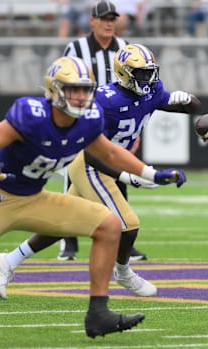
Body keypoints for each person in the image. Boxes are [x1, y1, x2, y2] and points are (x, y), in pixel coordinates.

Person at [0, 56, 187, 337]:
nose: (80, 97)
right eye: (73, 90)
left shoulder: (89, 119)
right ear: (54, 90)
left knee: (109, 225)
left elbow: (111, 153)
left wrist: (153, 174)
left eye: (84, 89)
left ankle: (98, 314)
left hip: (35, 198)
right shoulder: (31, 115)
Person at [0, 44, 200, 300]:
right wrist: (125, 176)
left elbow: (185, 107)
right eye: (141, 73)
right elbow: (91, 150)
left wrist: (186, 100)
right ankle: (123, 272)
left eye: (150, 72)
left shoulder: (152, 89)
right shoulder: (105, 101)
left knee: (64, 223)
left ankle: (8, 260)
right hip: (90, 163)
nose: (148, 79)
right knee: (128, 224)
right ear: (124, 73)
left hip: (108, 162)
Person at [61, 0, 146, 261]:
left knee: (119, 175)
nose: (109, 23)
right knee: (73, 178)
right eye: (104, 18)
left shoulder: (124, 48)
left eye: (113, 18)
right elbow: (65, 80)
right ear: (92, 21)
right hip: (83, 119)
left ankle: (124, 243)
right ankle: (68, 243)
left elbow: (134, 89)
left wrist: (135, 125)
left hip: (115, 122)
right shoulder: (76, 48)